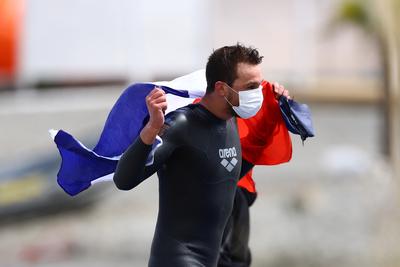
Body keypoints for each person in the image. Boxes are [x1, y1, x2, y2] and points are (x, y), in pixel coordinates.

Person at [113, 44, 265, 266]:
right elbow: (123, 180)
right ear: (222, 88)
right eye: (251, 87)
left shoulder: (230, 119)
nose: (257, 94)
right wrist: (152, 129)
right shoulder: (180, 126)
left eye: (259, 86)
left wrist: (278, 112)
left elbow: (221, 177)